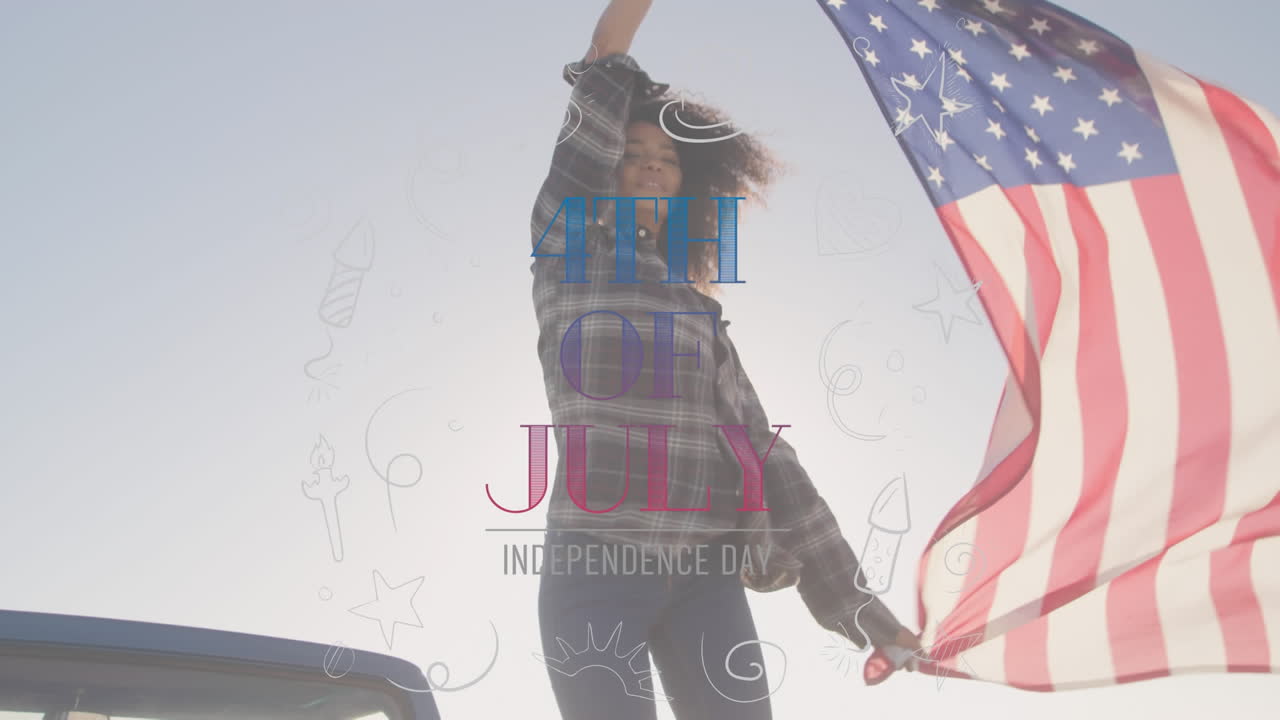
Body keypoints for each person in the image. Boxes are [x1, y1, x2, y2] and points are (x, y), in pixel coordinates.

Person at [529, 2, 921, 717]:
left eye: (668, 157)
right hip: (595, 563)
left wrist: (870, 618)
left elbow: (775, 470)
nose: (651, 163)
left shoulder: (703, 323)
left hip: (705, 579)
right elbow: (605, 59)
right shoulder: (571, 246)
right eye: (633, 152)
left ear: (689, 185)